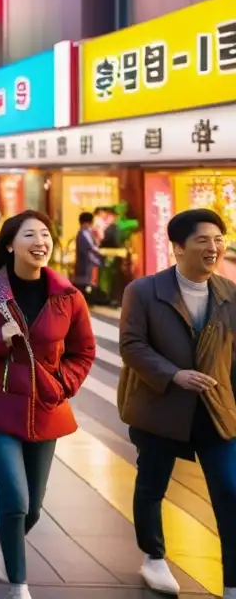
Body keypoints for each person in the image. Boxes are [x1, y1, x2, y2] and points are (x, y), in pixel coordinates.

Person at [0, 211, 95, 599]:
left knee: (33, 508)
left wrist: (64, 384)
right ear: (11, 244)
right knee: (14, 497)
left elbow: (84, 351)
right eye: (30, 234)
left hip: (47, 410)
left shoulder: (68, 297)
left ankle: (6, 546)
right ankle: (18, 582)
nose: (40, 241)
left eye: (46, 234)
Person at [117, 208, 236, 597]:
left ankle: (232, 581)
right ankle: (153, 556)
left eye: (218, 239)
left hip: (216, 410)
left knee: (230, 491)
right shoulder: (143, 291)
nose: (213, 247)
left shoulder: (230, 294)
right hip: (160, 406)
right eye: (203, 240)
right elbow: (132, 345)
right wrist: (173, 374)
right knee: (152, 484)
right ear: (178, 247)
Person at [73, 212, 109, 305]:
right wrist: (97, 259)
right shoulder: (82, 234)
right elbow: (89, 249)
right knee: (85, 283)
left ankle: (88, 300)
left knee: (88, 282)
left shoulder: (87, 233)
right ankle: (86, 301)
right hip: (86, 263)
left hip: (88, 262)